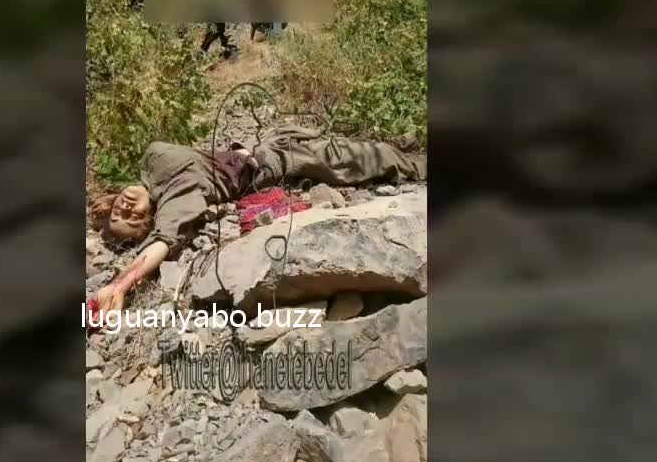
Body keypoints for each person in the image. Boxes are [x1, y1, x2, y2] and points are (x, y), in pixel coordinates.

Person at [88, 124, 425, 320]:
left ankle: (403, 148)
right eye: (131, 219)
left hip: (268, 142)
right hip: (278, 159)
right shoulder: (177, 196)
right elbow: (165, 238)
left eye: (117, 211)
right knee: (362, 159)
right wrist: (119, 286)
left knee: (359, 148)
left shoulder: (150, 165)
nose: (125, 208)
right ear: (150, 219)